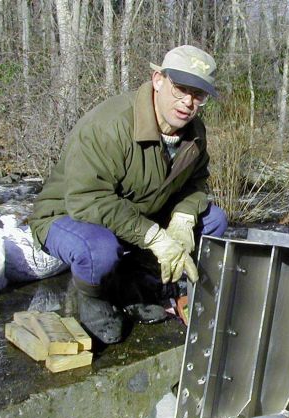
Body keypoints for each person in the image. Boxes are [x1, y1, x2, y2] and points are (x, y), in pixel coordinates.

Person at [29, 45, 227, 344]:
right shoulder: (111, 125)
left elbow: (196, 183)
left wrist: (184, 219)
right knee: (98, 250)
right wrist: (156, 238)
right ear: (158, 79)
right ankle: (91, 297)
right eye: (180, 88)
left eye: (198, 94)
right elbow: (88, 200)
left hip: (138, 212)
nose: (188, 102)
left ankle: (134, 283)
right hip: (69, 214)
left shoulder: (194, 131)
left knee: (214, 221)